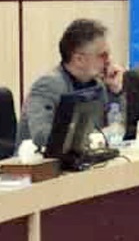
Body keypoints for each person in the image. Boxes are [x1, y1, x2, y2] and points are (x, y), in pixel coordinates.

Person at [18, 19, 125, 148]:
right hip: (39, 159)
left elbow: (117, 130)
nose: (109, 60)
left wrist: (115, 92)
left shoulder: (98, 85)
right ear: (79, 59)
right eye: (103, 55)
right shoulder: (48, 86)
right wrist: (96, 137)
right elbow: (42, 136)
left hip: (84, 157)